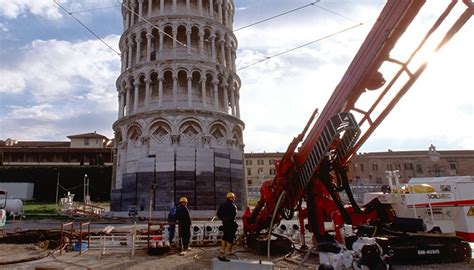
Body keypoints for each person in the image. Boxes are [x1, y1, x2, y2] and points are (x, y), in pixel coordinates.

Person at [216, 192, 238, 262]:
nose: (234, 199)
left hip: (224, 223)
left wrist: (223, 219)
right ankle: (227, 251)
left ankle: (222, 249)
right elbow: (233, 215)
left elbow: (218, 214)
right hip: (231, 223)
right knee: (230, 237)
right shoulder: (233, 206)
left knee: (225, 235)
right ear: (230, 198)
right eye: (233, 198)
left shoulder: (222, 205)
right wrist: (229, 220)